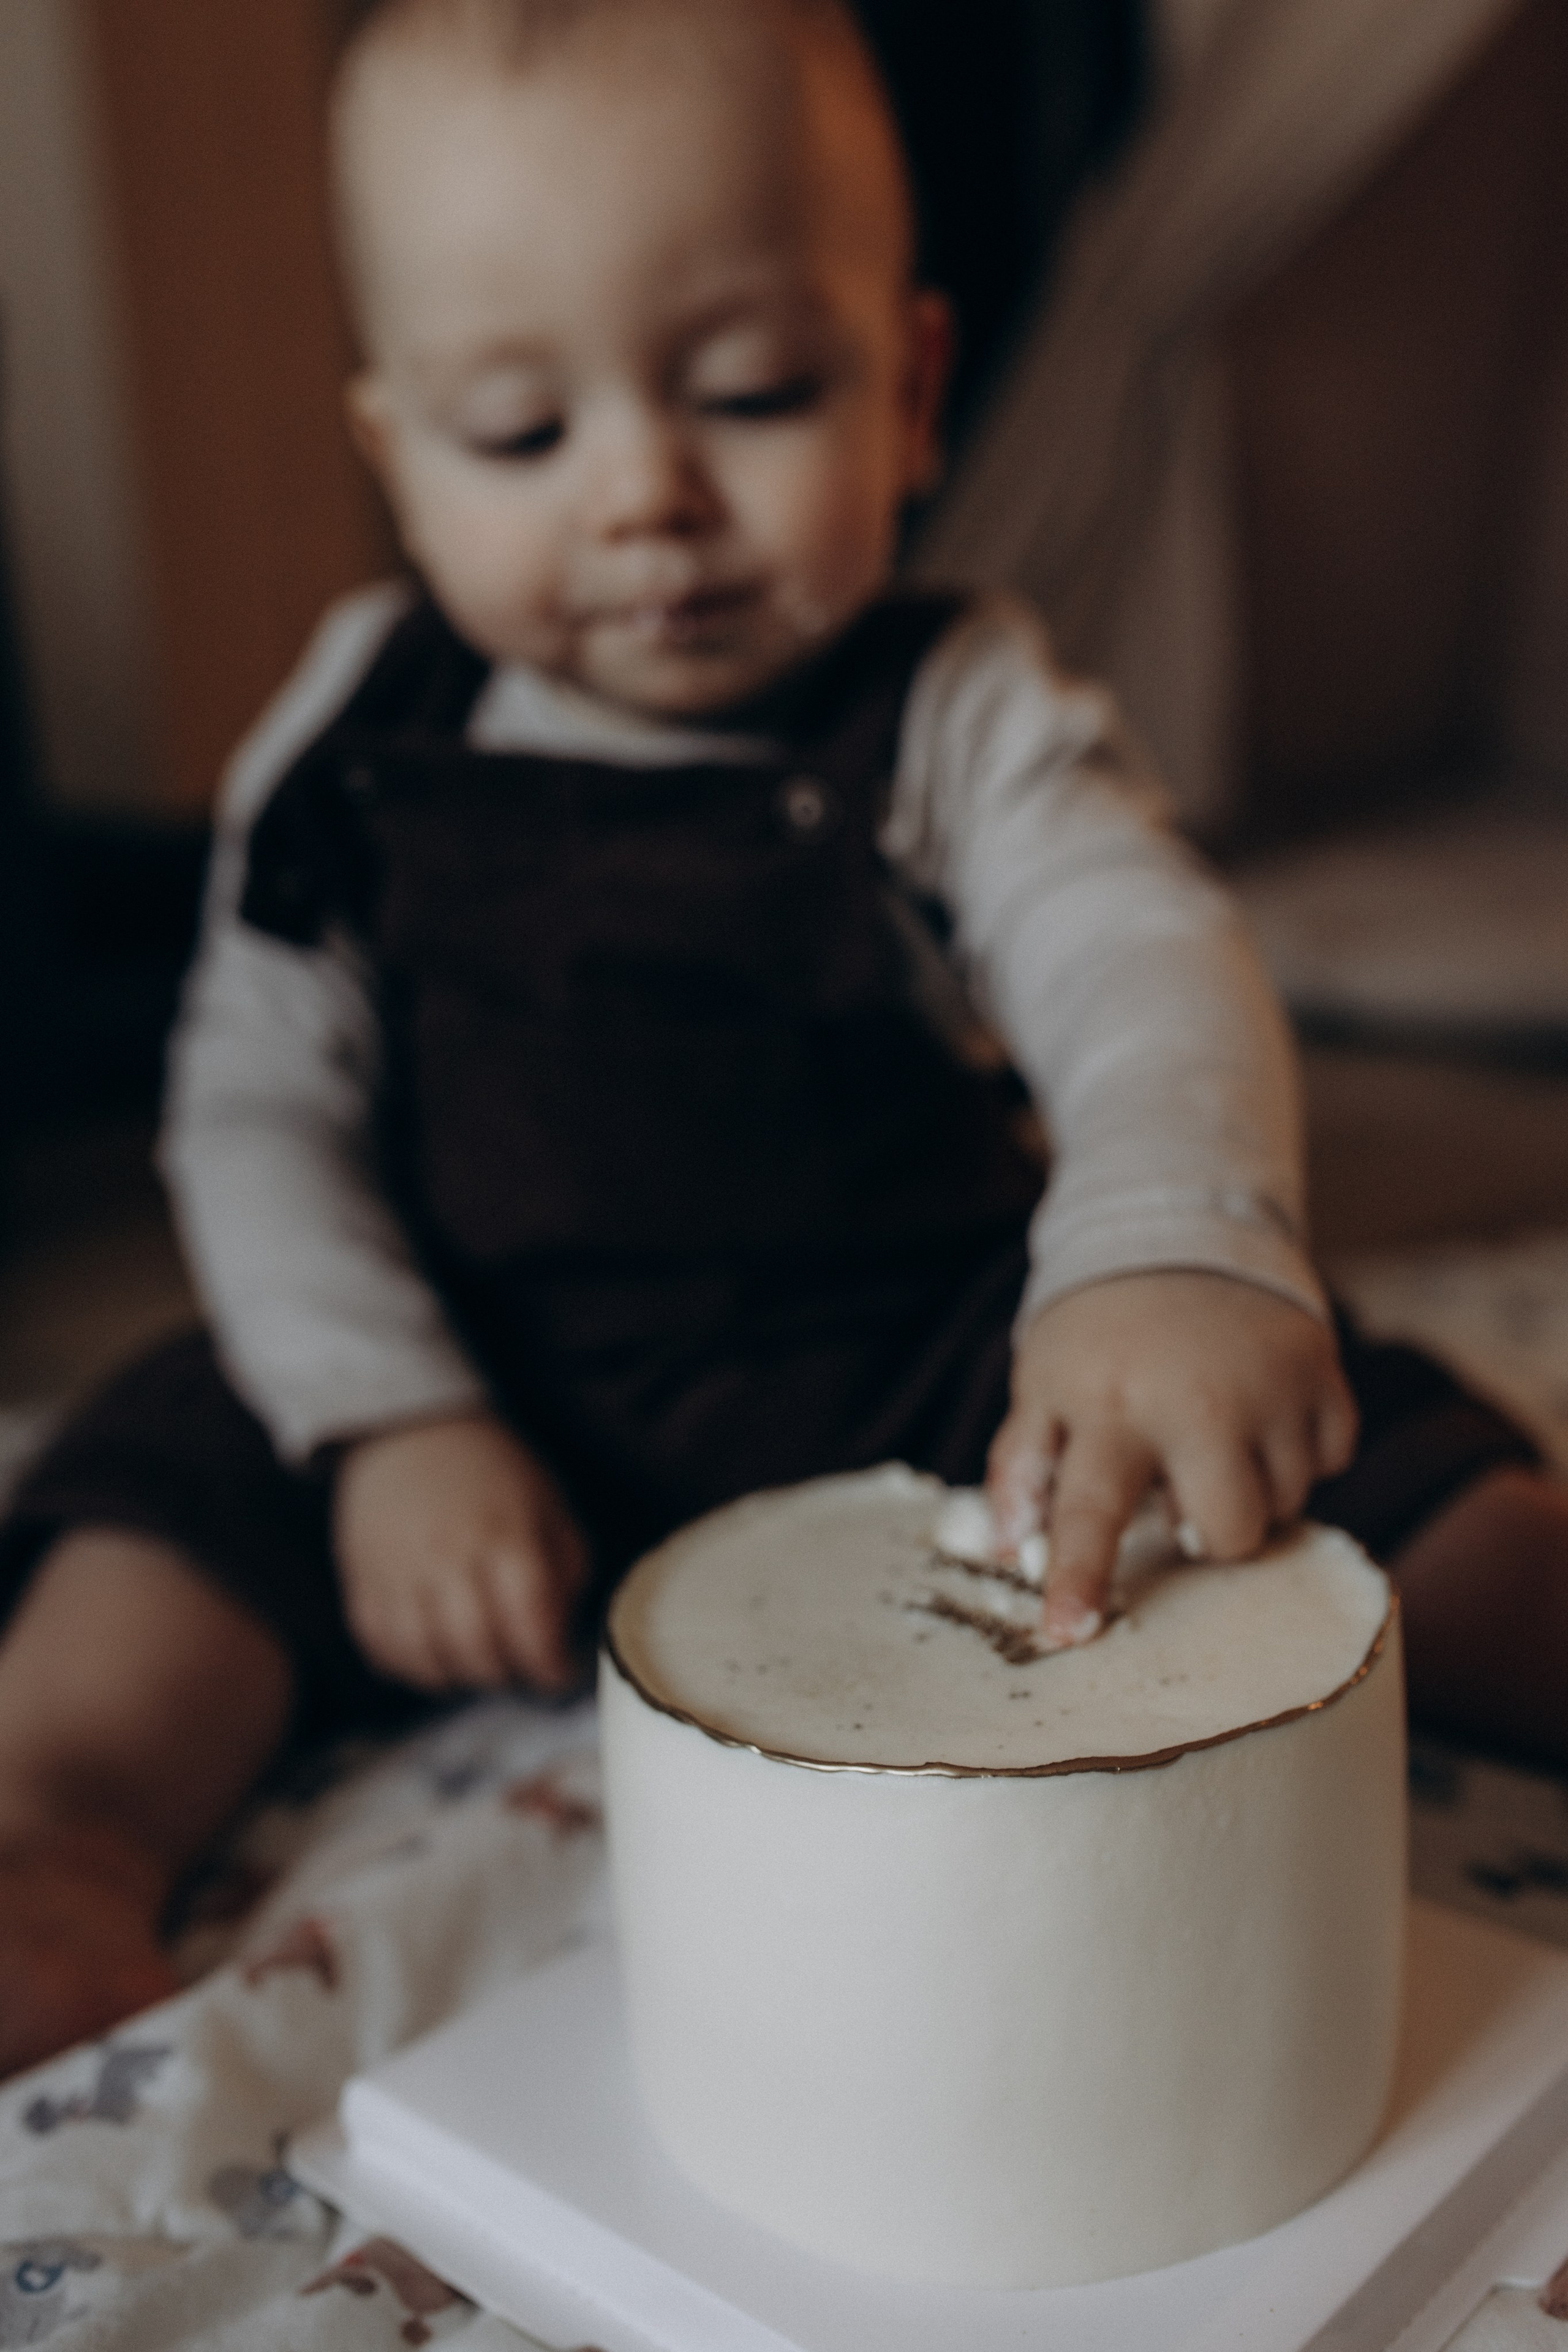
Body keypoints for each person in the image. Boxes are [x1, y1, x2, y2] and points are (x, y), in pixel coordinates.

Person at [0, 0, 1559, 2082]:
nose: (646, 495)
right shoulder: (360, 727)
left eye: (751, 392)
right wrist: (386, 1420)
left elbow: (1132, 950)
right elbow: (256, 1105)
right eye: (519, 435)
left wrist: (1166, 1251)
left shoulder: (951, 702)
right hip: (485, 1363)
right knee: (165, 1505)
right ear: (399, 458)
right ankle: (55, 1836)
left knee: (1306, 1449)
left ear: (907, 391)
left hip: (914, 1349)